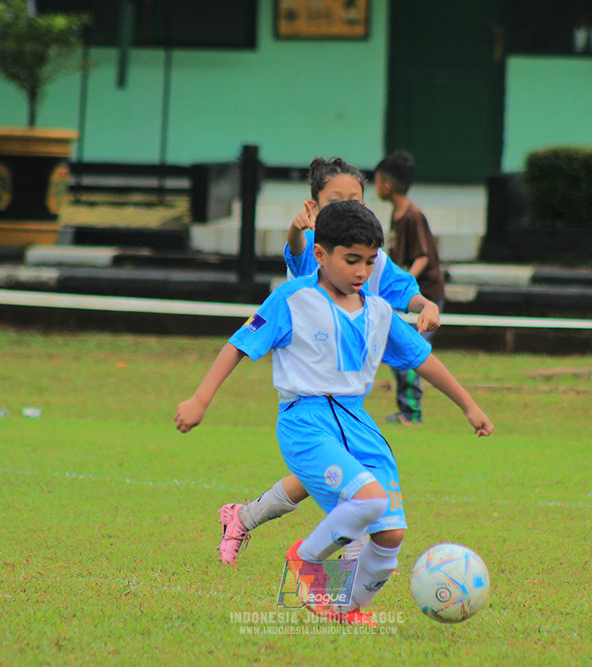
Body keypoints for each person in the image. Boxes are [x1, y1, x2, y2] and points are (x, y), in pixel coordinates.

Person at [175, 200, 495, 625]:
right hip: (306, 423)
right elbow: (239, 344)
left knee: (391, 534)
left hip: (357, 424)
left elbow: (422, 359)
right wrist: (200, 400)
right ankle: (306, 559)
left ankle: (345, 609)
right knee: (368, 500)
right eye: (351, 260)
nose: (362, 271)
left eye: (369, 261)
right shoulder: (294, 298)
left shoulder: (377, 311)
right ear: (320, 254)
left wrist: (469, 406)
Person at [216, 157, 441, 566]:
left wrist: (424, 303)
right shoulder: (317, 256)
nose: (348, 205)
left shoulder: (372, 258)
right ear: (313, 207)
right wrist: (295, 229)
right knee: (356, 503)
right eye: (336, 199)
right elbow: (297, 250)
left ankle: (242, 518)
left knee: (331, 484)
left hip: (347, 399)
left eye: (356, 198)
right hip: (309, 397)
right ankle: (335, 584)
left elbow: (401, 288)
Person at [375, 151, 444, 425]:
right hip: (407, 298)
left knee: (411, 351)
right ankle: (407, 410)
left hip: (424, 297)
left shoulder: (413, 216)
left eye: (376, 181)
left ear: (387, 185)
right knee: (398, 351)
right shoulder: (398, 214)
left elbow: (422, 257)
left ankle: (411, 412)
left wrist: (402, 285)